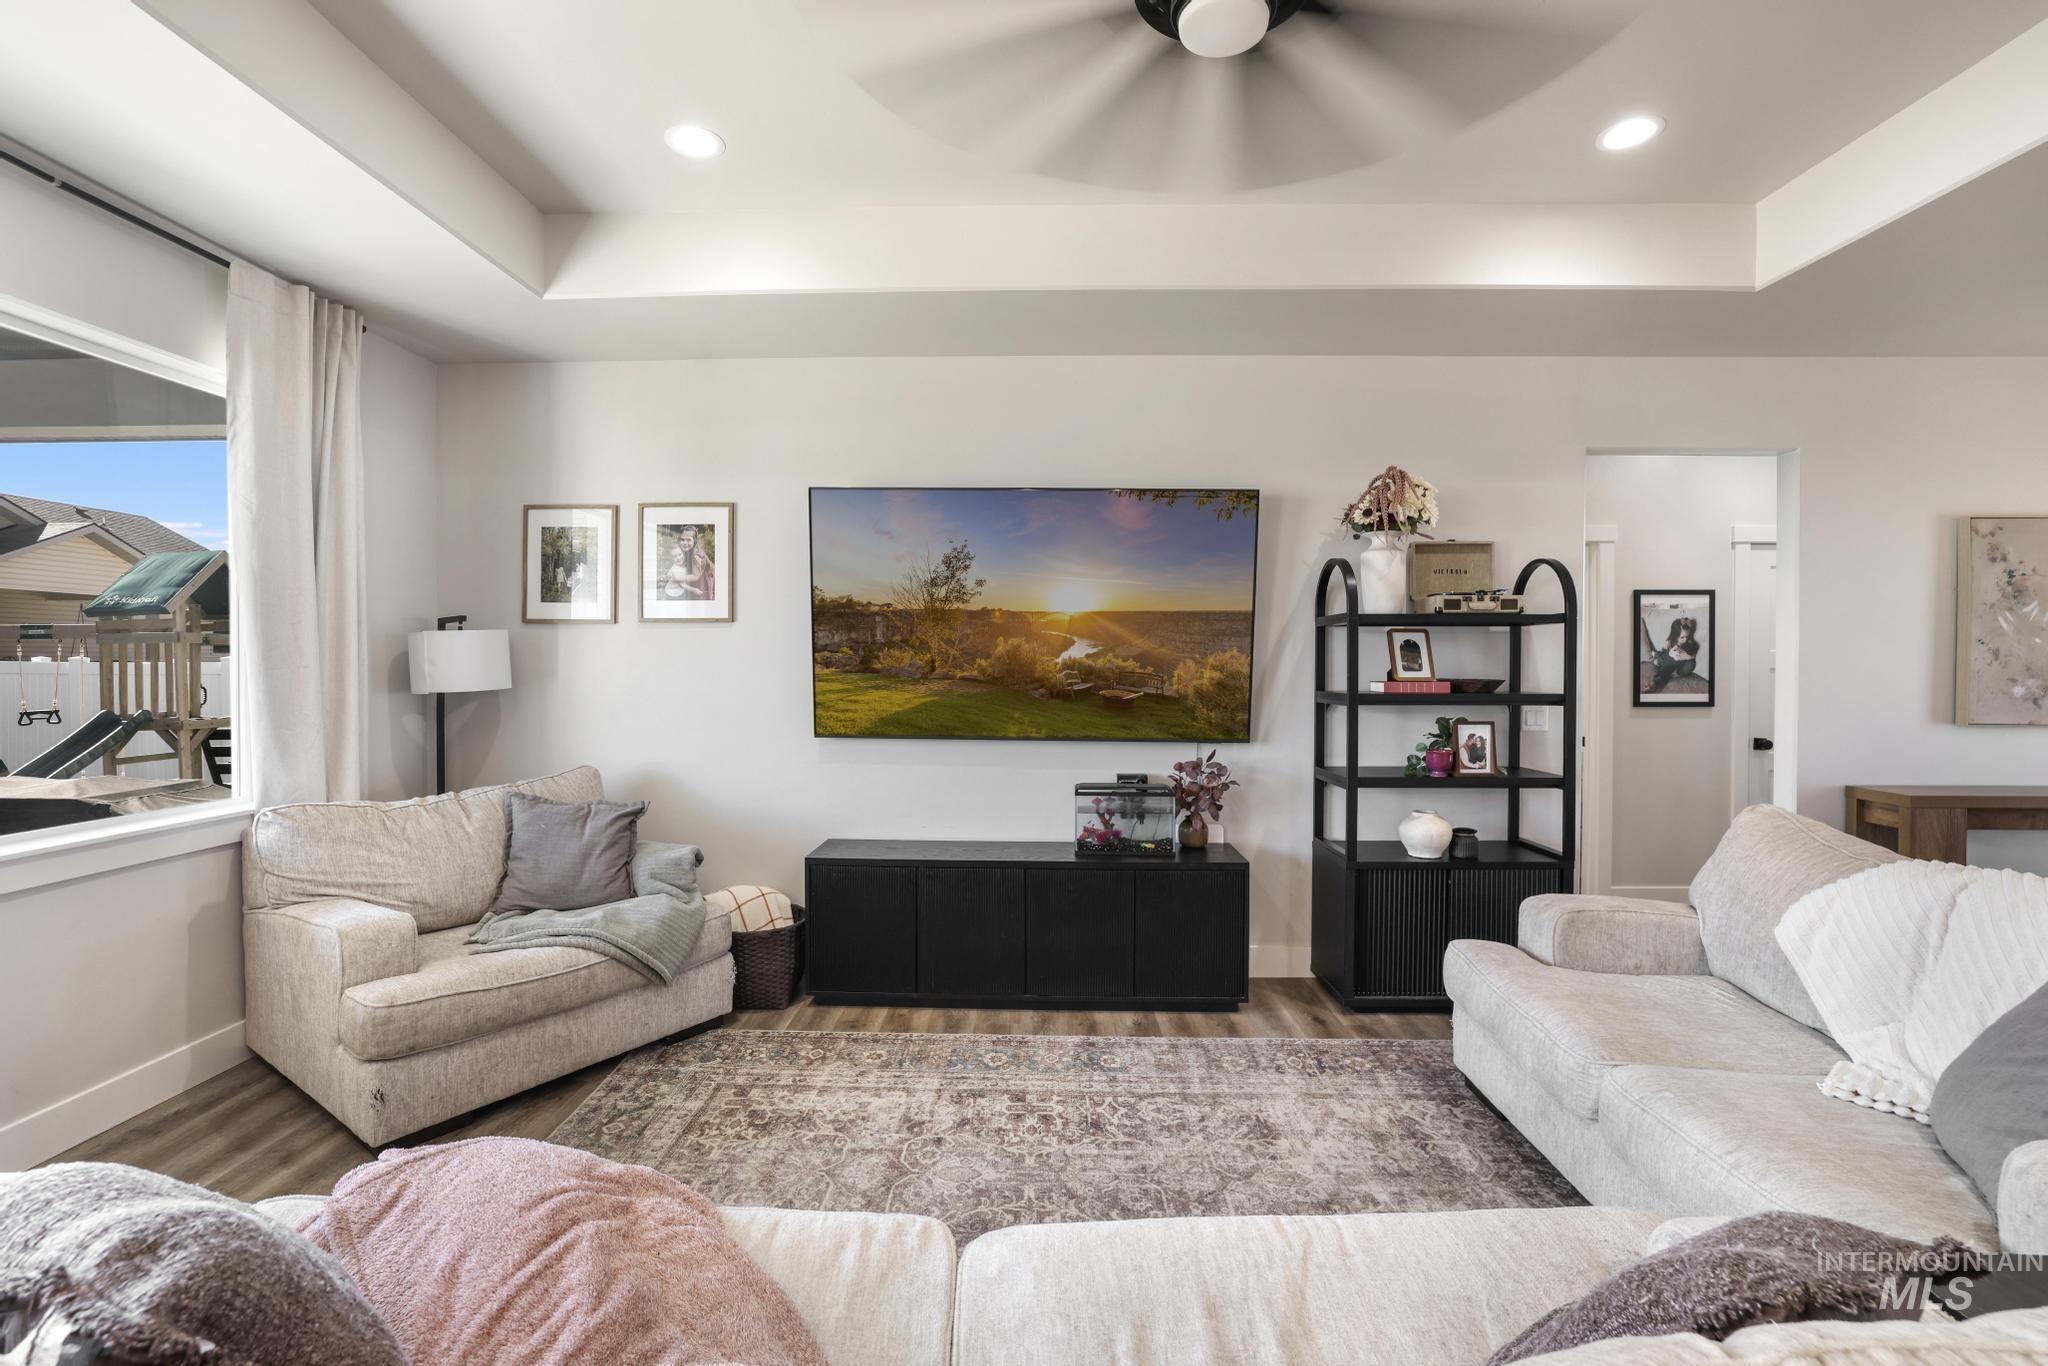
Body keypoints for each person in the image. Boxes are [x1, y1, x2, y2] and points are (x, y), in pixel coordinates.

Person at [663, 526, 715, 601]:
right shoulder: (691, 550)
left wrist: (677, 579)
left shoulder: (695, 556)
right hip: (699, 583)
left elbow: (696, 576)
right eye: (682, 540)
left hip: (701, 585)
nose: (685, 543)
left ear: (694, 540)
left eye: (688, 540)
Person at [1650, 616, 1700, 691]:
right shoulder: (1669, 642)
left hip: (1679, 668)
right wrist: (1670, 653)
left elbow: (1694, 651)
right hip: (1667, 661)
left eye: (1687, 636)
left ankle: (1669, 671)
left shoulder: (1690, 643)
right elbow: (1666, 655)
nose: (1685, 639)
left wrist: (1689, 657)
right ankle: (1655, 680)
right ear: (1675, 636)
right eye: (1682, 637)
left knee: (1691, 664)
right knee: (1666, 660)